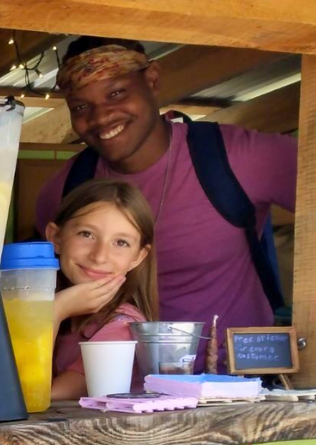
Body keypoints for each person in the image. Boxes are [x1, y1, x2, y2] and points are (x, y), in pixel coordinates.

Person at [35, 37, 297, 368]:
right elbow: (36, 288)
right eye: (81, 107)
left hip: (237, 392)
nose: (101, 117)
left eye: (116, 93)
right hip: (110, 399)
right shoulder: (64, 190)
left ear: (152, 80)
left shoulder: (240, 159)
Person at [46, 180, 158, 400]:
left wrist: (55, 311)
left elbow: (37, 398)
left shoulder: (123, 329)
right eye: (87, 234)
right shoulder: (38, 304)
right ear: (55, 238)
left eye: (121, 242)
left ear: (138, 257)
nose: (99, 256)